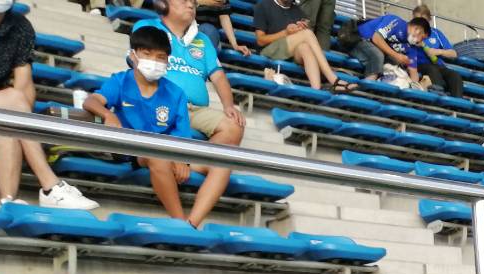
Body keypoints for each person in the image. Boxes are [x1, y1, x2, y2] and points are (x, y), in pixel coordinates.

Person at [84, 25, 230, 227]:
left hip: (166, 150)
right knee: (157, 156)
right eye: (147, 54)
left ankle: (191, 224)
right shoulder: (121, 80)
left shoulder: (176, 93)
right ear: (133, 55)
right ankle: (179, 223)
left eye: (160, 57)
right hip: (132, 150)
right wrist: (108, 115)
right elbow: (91, 101)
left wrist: (181, 159)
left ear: (168, 61)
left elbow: (182, 134)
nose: (154, 61)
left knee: (222, 164)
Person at [0, 0, 97, 209]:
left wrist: (20, 122)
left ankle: (8, 203)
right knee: (12, 99)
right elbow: (16, 97)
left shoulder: (20, 26)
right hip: (0, 103)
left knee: (8, 128)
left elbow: (24, 84)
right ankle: (50, 185)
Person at [135, 0, 245, 146]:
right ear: (163, 4)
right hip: (159, 102)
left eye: (193, 2)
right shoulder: (147, 27)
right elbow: (137, 66)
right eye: (184, 1)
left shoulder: (204, 40)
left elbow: (218, 76)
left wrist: (229, 106)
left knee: (234, 126)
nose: (190, 5)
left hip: (196, 110)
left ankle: (194, 160)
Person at [253, 0, 356, 91]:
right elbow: (260, 41)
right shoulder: (263, 5)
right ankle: (333, 80)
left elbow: (300, 38)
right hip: (268, 51)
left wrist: (300, 29)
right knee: (307, 34)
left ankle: (316, 90)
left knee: (305, 47)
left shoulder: (297, 11)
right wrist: (286, 33)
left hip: (289, 53)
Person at [408, 6, 462, 96]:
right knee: (432, 69)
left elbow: (454, 54)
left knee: (455, 76)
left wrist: (438, 52)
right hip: (419, 65)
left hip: (438, 65)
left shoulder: (436, 33)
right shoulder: (409, 31)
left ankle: (458, 103)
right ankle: (439, 96)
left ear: (429, 20)